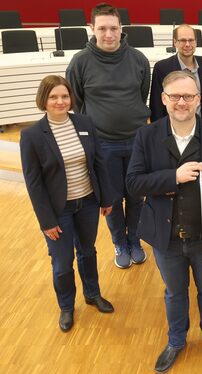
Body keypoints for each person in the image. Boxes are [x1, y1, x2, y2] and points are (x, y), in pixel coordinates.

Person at [126, 71, 202, 372]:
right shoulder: (146, 136)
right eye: (175, 96)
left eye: (188, 96)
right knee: (174, 293)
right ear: (163, 99)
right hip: (166, 236)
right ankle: (176, 340)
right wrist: (172, 177)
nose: (182, 102)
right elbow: (133, 183)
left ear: (199, 100)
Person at [20, 75, 115, 333]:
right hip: (57, 210)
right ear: (44, 100)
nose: (60, 101)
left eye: (64, 96)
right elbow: (34, 183)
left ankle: (92, 294)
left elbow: (98, 162)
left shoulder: (84, 123)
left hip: (87, 203)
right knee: (62, 262)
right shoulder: (31, 135)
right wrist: (46, 221)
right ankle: (66, 307)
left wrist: (105, 198)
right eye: (54, 97)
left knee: (88, 251)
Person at [66, 3, 151, 269]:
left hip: (137, 140)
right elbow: (76, 103)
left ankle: (135, 239)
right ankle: (119, 243)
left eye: (113, 28)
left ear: (121, 29)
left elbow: (142, 95)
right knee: (111, 198)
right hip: (102, 144)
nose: (108, 34)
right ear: (92, 29)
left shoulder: (138, 59)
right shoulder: (80, 61)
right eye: (102, 28)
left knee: (137, 195)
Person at [150, 24, 202, 123]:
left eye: (191, 40)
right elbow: (157, 107)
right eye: (182, 40)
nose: (187, 44)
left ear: (196, 42)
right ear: (175, 42)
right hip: (173, 128)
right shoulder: (162, 68)